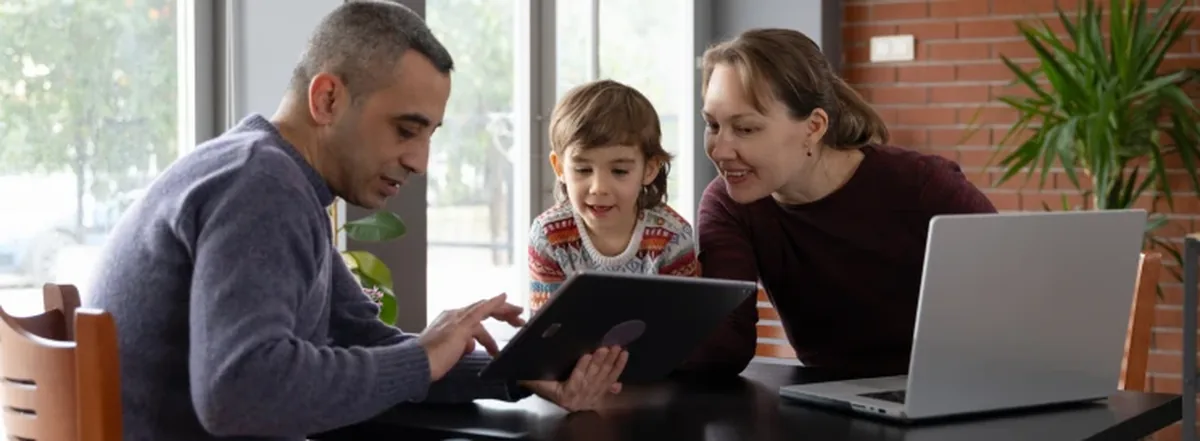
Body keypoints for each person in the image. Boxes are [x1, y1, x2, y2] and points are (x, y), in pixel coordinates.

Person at [86, 2, 627, 441]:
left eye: (429, 135)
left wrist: (520, 373)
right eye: (405, 129)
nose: (420, 161)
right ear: (327, 98)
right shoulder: (261, 185)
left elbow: (362, 341)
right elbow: (238, 393)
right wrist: (419, 357)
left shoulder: (271, 175)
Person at [683, 28, 997, 376]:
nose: (721, 150)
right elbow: (726, 345)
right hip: (830, 406)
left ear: (813, 127)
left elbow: (1013, 288)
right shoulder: (729, 204)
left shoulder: (921, 186)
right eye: (712, 125)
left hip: (954, 388)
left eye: (745, 129)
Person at [527, 80, 700, 313]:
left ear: (649, 169)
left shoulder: (673, 238)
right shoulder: (548, 235)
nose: (599, 188)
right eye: (583, 170)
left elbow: (684, 327)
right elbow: (545, 333)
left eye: (619, 171)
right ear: (559, 168)